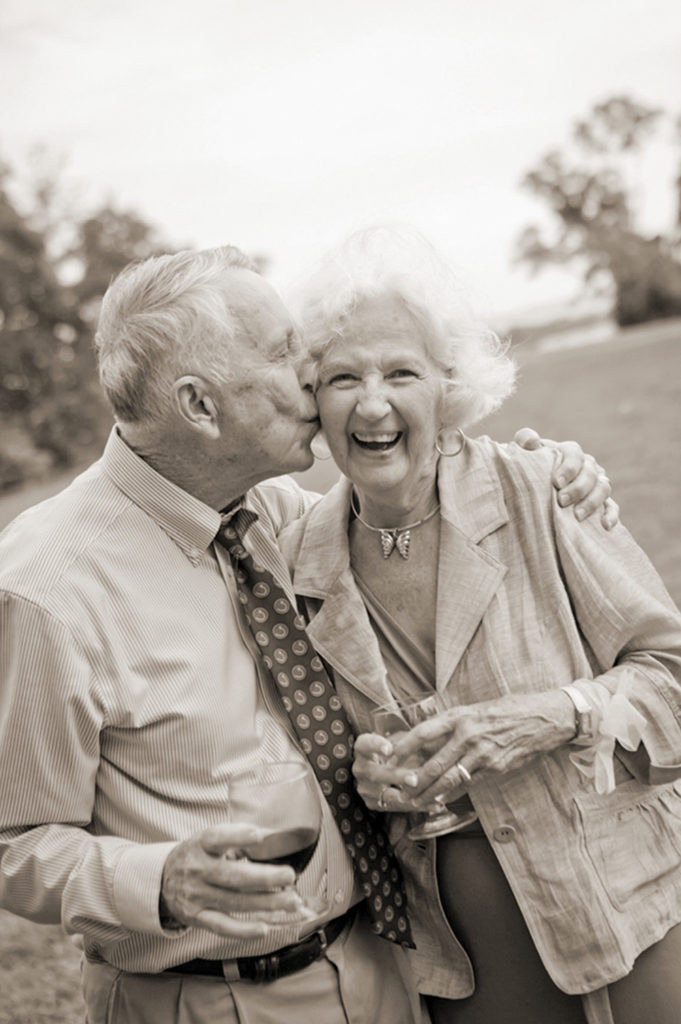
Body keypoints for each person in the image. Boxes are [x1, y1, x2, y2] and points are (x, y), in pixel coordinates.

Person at [0, 243, 610, 1024]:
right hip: (212, 999)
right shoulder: (49, 589)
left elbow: (423, 501)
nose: (313, 373)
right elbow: (15, 841)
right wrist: (159, 879)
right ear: (199, 406)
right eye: (286, 352)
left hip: (381, 966)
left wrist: (547, 470)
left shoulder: (284, 517)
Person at [277, 225, 681, 1024]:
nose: (372, 402)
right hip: (461, 941)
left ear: (448, 386)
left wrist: (549, 715)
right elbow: (310, 763)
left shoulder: (540, 488)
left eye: (401, 371)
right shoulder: (294, 564)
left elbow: (668, 673)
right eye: (341, 377)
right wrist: (363, 783)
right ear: (311, 401)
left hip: (629, 897)